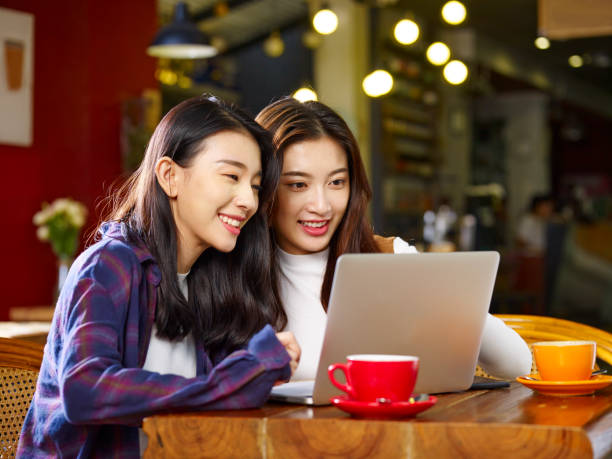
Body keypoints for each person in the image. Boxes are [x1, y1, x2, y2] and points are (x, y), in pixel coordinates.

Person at [18, 95, 300, 458]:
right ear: (169, 176)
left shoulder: (208, 282)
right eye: (231, 176)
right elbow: (84, 390)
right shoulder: (108, 265)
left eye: (256, 185)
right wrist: (229, 381)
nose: (248, 200)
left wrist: (256, 371)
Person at [255, 97, 531, 381]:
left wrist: (443, 292)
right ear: (263, 188)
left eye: (337, 182)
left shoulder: (386, 257)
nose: (322, 205)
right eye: (298, 185)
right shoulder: (230, 277)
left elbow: (516, 365)